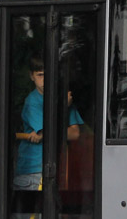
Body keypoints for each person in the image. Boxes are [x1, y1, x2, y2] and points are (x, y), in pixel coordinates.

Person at [14, 57, 82, 190]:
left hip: (56, 168)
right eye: (40, 75)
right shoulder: (32, 102)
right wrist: (63, 109)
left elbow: (75, 134)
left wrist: (48, 133)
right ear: (31, 76)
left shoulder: (63, 99)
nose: (44, 80)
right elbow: (50, 130)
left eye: (48, 75)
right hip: (32, 170)